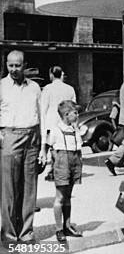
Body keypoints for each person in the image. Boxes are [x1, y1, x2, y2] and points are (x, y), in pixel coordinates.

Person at [0, 50, 45, 243]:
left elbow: (41, 116)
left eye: (18, 65)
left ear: (25, 65)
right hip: (10, 136)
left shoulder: (35, 87)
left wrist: (43, 148)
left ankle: (26, 232)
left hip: (32, 137)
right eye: (10, 65)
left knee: (29, 188)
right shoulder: (1, 86)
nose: (14, 69)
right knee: (9, 189)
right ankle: (9, 234)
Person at [44, 100, 83, 243]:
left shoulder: (74, 129)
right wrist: (50, 159)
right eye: (75, 113)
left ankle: (67, 226)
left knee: (68, 195)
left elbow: (78, 144)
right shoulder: (56, 130)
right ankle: (59, 229)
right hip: (62, 162)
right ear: (66, 115)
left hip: (74, 161)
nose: (77, 115)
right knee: (60, 197)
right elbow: (48, 145)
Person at [40, 66, 76, 182]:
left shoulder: (47, 89)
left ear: (51, 75)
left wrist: (43, 125)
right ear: (61, 75)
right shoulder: (70, 89)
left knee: (53, 147)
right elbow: (74, 108)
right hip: (65, 122)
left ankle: (55, 171)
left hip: (51, 122)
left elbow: (43, 108)